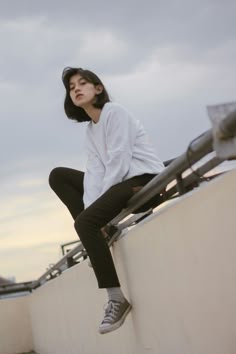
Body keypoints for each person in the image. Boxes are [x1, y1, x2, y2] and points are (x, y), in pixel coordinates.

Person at [49, 67, 165, 334]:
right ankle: (103, 230)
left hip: (141, 180)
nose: (76, 88)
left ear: (98, 89)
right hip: (119, 184)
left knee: (85, 224)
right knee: (58, 177)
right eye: (71, 87)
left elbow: (119, 160)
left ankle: (116, 298)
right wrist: (95, 210)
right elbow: (94, 175)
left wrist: (98, 214)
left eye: (83, 83)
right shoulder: (91, 130)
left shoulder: (115, 112)